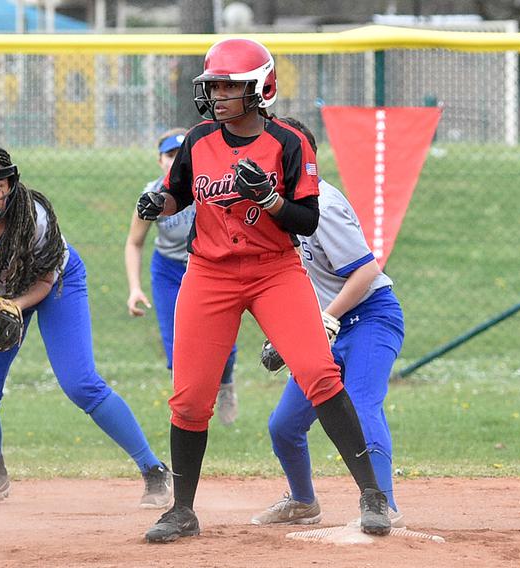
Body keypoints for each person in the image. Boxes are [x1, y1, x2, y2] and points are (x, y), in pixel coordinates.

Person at [134, 38, 392, 543]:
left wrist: (269, 198)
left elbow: (307, 217)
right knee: (189, 399)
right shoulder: (199, 138)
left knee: (320, 373)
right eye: (214, 85)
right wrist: (156, 204)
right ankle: (182, 511)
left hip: (274, 269)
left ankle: (372, 495)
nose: (218, 94)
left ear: (261, 89)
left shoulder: (290, 141)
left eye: (230, 85)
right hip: (210, 273)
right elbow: (179, 194)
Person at [0, 143, 172, 508]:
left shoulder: (34, 216)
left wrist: (13, 306)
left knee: (81, 384)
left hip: (56, 284)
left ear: (11, 185)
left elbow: (45, 281)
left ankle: (154, 470)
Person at [250, 117, 406, 529]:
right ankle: (303, 502)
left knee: (359, 402)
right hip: (322, 324)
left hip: (370, 316)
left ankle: (383, 505)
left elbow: (367, 271)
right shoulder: (273, 207)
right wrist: (285, 334)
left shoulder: (326, 205)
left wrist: (327, 318)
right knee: (284, 426)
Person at [124, 128, 239, 426]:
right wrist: (134, 288)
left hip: (211, 267)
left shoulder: (213, 185)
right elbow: (134, 243)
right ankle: (188, 412)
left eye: (180, 154)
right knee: (176, 346)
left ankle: (225, 386)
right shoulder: (152, 195)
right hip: (169, 270)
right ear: (159, 160)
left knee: (222, 347)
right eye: (169, 155)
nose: (175, 161)